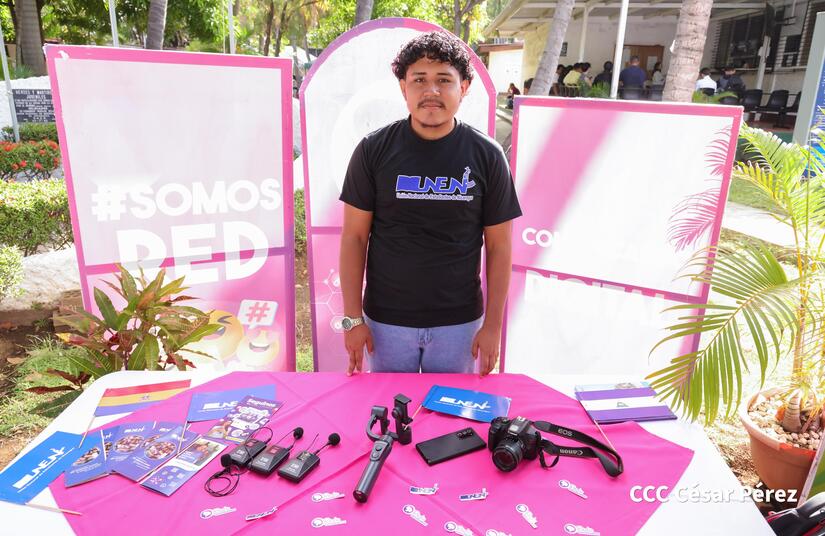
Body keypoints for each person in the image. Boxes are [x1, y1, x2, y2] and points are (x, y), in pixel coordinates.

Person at [338, 31, 522, 376]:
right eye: (419, 79)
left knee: (451, 411)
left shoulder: (488, 156)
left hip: (460, 324)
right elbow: (354, 238)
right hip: (387, 322)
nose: (431, 91)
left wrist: (493, 325)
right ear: (403, 88)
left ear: (464, 87)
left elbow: (499, 247)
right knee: (390, 408)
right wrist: (353, 320)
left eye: (444, 80)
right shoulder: (373, 150)